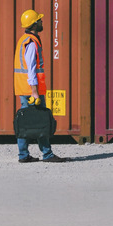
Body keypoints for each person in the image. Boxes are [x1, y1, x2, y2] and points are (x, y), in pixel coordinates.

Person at [14, 9, 69, 163]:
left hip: (23, 88)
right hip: (31, 90)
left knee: (25, 122)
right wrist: (35, 92)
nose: (41, 22)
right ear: (34, 24)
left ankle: (23, 155)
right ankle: (47, 154)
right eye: (39, 20)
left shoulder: (24, 39)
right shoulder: (31, 42)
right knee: (40, 120)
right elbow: (31, 68)